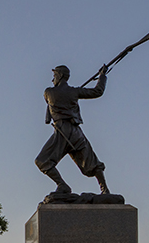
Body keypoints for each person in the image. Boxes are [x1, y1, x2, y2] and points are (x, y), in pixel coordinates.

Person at [35, 64, 110, 194]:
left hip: (61, 132)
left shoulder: (48, 92)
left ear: (60, 76)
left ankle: (62, 185)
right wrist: (102, 76)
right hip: (75, 132)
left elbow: (50, 98)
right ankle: (104, 188)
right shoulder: (74, 92)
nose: (52, 80)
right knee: (91, 160)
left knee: (42, 161)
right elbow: (98, 91)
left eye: (54, 76)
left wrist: (71, 92)